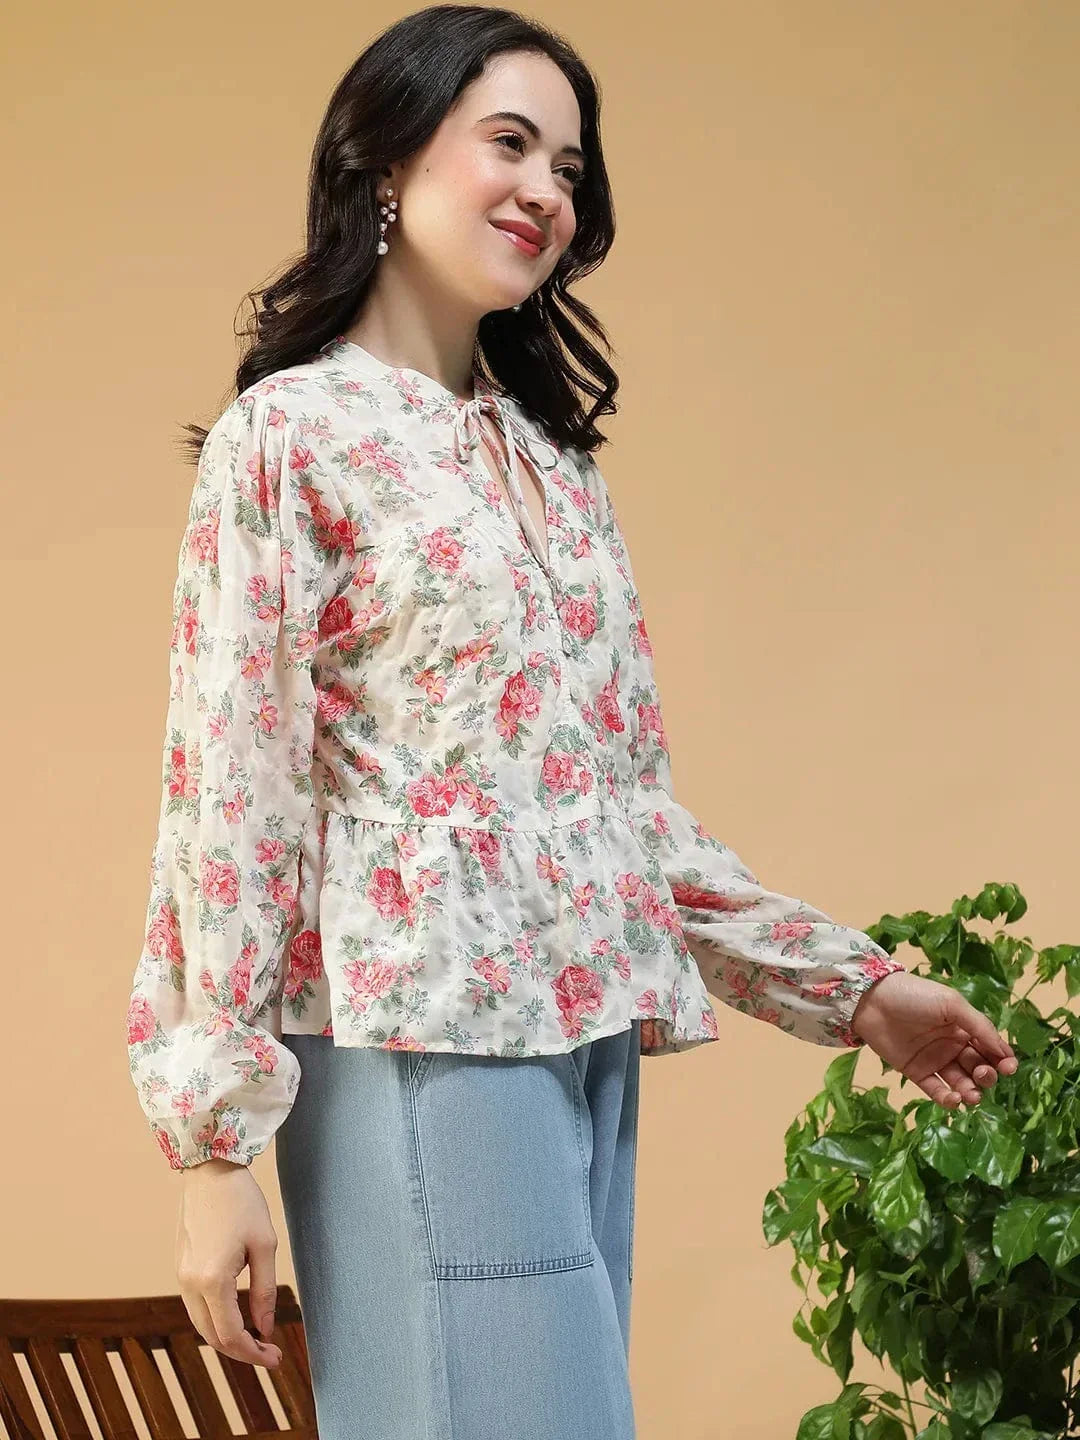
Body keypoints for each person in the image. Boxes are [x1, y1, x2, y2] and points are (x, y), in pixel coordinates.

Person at [124, 8, 1018, 1438]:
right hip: (420, 1037)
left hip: (584, 1032)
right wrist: (213, 1147)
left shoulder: (554, 468)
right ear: (386, 159)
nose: (546, 188)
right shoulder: (289, 437)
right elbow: (232, 798)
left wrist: (854, 992)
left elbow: (620, 813)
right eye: (510, 143)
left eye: (571, 167)